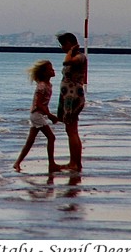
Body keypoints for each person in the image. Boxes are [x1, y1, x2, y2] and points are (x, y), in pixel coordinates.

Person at [13, 59, 63, 173]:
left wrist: (49, 114)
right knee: (51, 137)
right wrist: (50, 116)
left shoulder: (48, 85)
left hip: (37, 115)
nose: (53, 70)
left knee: (30, 141)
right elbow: (39, 104)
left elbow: (44, 104)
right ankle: (52, 164)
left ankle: (17, 163)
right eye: (50, 69)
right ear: (45, 73)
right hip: (36, 115)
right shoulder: (41, 86)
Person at [56, 31, 87, 172]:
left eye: (64, 44)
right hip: (68, 95)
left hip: (73, 96)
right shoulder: (74, 56)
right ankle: (73, 161)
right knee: (70, 130)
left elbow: (66, 62)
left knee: (72, 130)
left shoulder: (79, 57)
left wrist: (70, 51)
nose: (62, 47)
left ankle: (75, 163)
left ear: (71, 43)